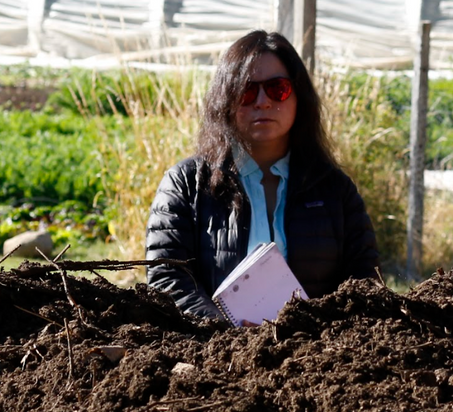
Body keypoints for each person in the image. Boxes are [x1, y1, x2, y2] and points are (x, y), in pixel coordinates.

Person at [146, 30, 379, 320]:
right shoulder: (185, 184)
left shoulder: (335, 190)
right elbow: (167, 277)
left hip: (317, 356)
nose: (262, 102)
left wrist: (316, 333)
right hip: (215, 356)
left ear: (299, 97)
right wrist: (226, 335)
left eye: (277, 88)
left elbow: (365, 281)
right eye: (246, 90)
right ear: (225, 100)